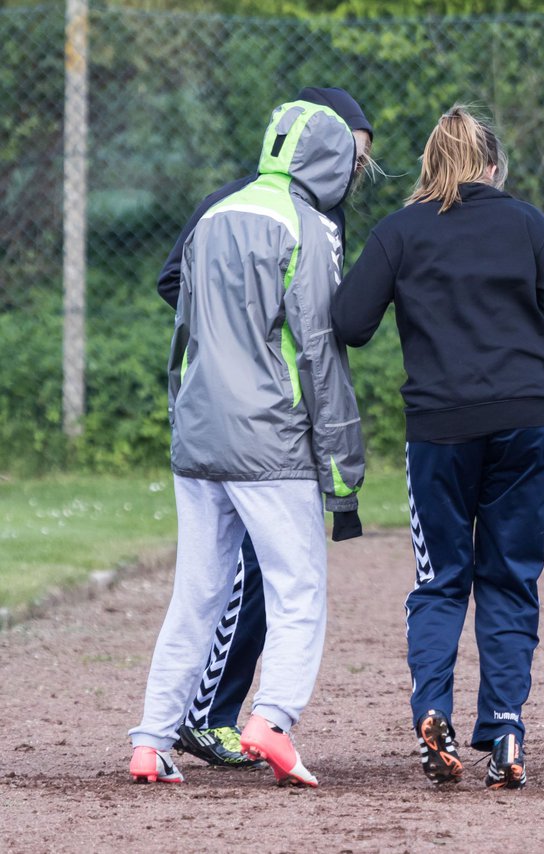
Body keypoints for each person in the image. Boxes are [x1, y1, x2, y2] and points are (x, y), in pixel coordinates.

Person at [331, 105, 544, 790]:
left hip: (440, 429)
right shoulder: (526, 221)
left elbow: (350, 323)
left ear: (427, 168)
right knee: (509, 576)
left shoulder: (401, 230)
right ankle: (504, 728)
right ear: (495, 168)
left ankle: (432, 711)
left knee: (442, 580)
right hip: (526, 422)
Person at [128, 99, 365, 788]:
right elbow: (319, 351)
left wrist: (183, 414)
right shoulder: (310, 226)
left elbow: (184, 330)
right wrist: (343, 476)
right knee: (299, 591)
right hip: (272, 441)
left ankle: (150, 740)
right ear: (325, 160)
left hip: (198, 435)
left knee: (195, 593)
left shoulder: (213, 214)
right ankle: (273, 720)